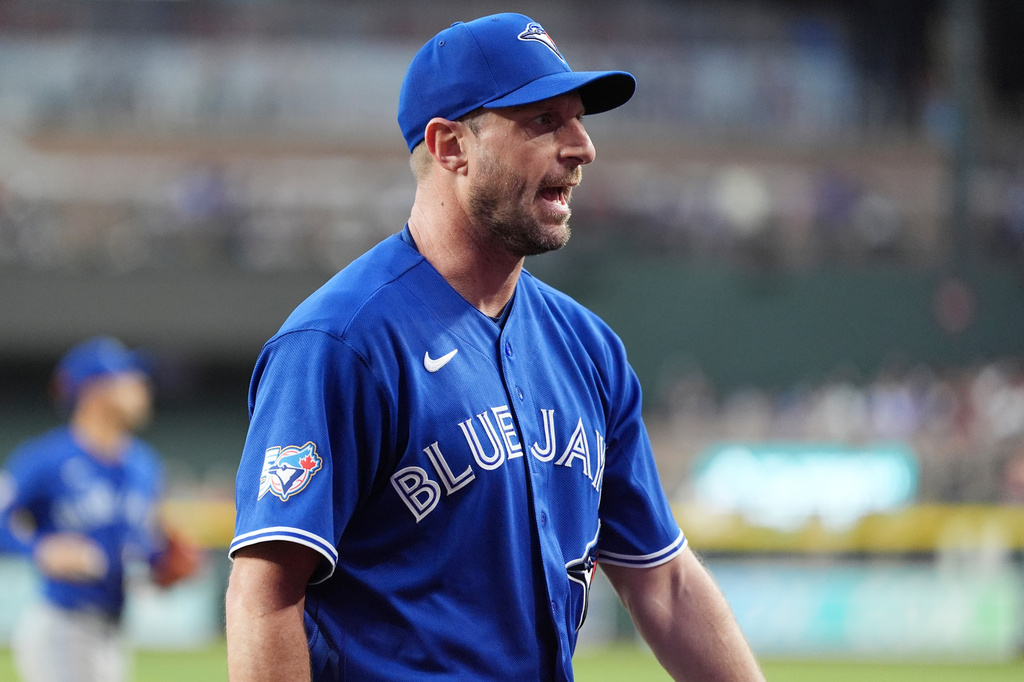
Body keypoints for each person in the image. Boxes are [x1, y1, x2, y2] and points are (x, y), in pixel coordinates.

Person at [226, 13, 764, 682]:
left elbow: (666, 584)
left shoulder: (587, 348)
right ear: (452, 147)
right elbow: (264, 597)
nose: (583, 147)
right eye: (544, 122)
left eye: (579, 119)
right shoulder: (339, 344)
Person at [0, 336, 200, 682]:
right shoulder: (46, 459)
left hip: (113, 632)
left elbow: (137, 547)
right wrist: (39, 548)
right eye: (130, 378)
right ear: (96, 391)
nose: (142, 386)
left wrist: (162, 562)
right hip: (63, 625)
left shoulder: (144, 465)